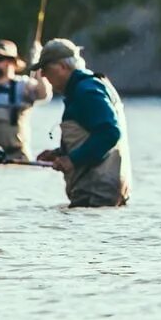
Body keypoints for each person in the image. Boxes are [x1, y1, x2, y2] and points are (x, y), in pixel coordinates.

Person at [31, 38, 131, 207]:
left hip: (97, 193)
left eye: (45, 68)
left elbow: (110, 133)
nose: (42, 75)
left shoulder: (87, 91)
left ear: (63, 67)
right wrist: (60, 153)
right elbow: (92, 135)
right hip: (102, 193)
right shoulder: (86, 87)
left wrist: (72, 160)